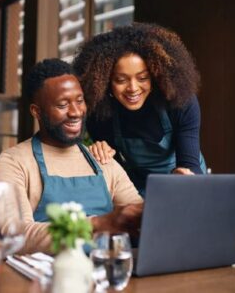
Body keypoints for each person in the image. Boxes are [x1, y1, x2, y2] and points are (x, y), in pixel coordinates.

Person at [0, 58, 143, 254]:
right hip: (44, 279)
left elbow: (138, 215)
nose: (75, 112)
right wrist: (98, 224)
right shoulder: (13, 162)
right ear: (36, 112)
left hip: (107, 272)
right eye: (63, 105)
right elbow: (15, 234)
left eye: (79, 101)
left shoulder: (102, 159)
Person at [73, 23, 207, 196]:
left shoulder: (179, 101)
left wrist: (182, 176)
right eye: (121, 80)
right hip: (139, 187)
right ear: (105, 82)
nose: (133, 88)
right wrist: (101, 156)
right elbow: (116, 175)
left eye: (143, 78)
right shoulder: (100, 114)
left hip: (186, 183)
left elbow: (190, 164)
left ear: (155, 75)